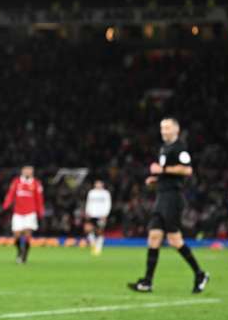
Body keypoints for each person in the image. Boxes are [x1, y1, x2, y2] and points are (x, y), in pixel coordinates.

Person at [128, 118, 209, 293]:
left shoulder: (180, 148)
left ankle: (200, 273)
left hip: (173, 198)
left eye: (167, 127)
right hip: (162, 196)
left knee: (174, 240)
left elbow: (187, 170)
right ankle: (147, 282)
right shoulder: (164, 148)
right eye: (162, 128)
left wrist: (162, 171)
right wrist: (156, 179)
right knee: (154, 237)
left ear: (176, 130)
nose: (163, 131)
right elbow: (168, 173)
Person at [2, 165, 44, 263]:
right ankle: (20, 251)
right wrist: (6, 205)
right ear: (22, 171)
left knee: (27, 234)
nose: (27, 172)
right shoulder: (16, 182)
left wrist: (40, 211)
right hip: (18, 212)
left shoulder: (36, 183)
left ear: (32, 172)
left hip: (30, 212)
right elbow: (10, 194)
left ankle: (24, 256)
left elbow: (39, 199)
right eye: (26, 170)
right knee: (16, 235)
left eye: (29, 171)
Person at [84, 180, 112, 256]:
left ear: (102, 184)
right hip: (92, 214)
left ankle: (99, 247)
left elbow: (108, 204)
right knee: (88, 229)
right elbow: (88, 202)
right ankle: (93, 244)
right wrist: (87, 212)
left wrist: (106, 214)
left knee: (99, 231)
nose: (98, 185)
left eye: (99, 184)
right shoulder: (91, 192)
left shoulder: (106, 193)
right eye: (97, 183)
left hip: (101, 215)